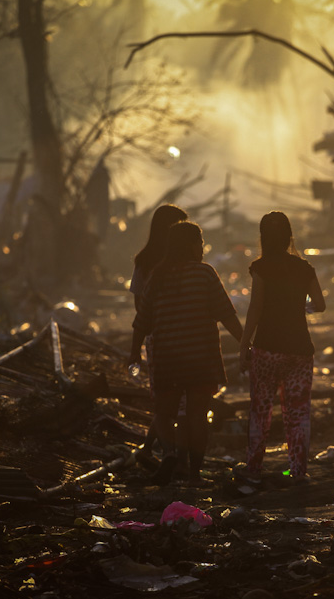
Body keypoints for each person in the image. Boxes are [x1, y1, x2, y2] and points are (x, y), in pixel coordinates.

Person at [130, 221, 243, 485]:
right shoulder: (205, 274)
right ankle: (194, 476)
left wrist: (134, 353)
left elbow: (141, 322)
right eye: (200, 242)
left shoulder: (158, 277)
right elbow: (227, 314)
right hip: (201, 358)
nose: (202, 248)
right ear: (191, 245)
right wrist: (246, 344)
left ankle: (169, 453)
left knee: (165, 413)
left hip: (168, 358)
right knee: (197, 417)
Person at [239, 211, 326, 484]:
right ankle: (298, 471)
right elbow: (320, 305)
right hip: (300, 349)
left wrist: (244, 345)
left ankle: (254, 468)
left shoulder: (261, 267)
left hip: (267, 349)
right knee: (298, 412)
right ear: (290, 236)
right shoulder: (304, 268)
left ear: (264, 237)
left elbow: (256, 308)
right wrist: (299, 308)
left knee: (261, 410)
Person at [129, 204, 189, 464]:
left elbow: (139, 309)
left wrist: (137, 347)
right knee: (182, 401)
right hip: (187, 339)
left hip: (157, 340)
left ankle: (160, 451)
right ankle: (171, 453)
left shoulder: (143, 262)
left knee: (164, 398)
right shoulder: (188, 263)